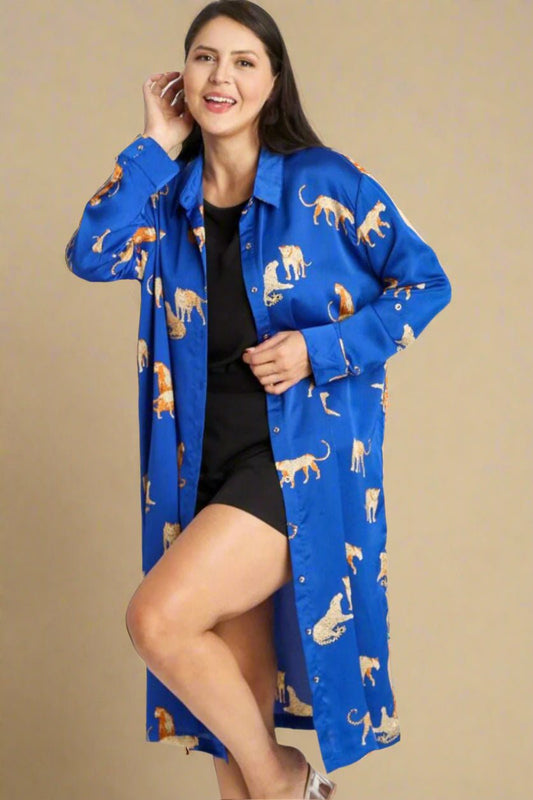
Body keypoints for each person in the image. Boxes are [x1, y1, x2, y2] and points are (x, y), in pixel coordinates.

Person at [64, 1, 452, 798]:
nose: (221, 77)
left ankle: (286, 780)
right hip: (198, 471)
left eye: (244, 62)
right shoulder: (167, 199)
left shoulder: (324, 182)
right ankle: (275, 786)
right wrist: (153, 145)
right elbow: (89, 252)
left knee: (159, 621)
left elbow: (425, 283)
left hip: (292, 460)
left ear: (273, 83)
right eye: (204, 58)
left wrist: (318, 349)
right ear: (181, 76)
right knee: (231, 742)